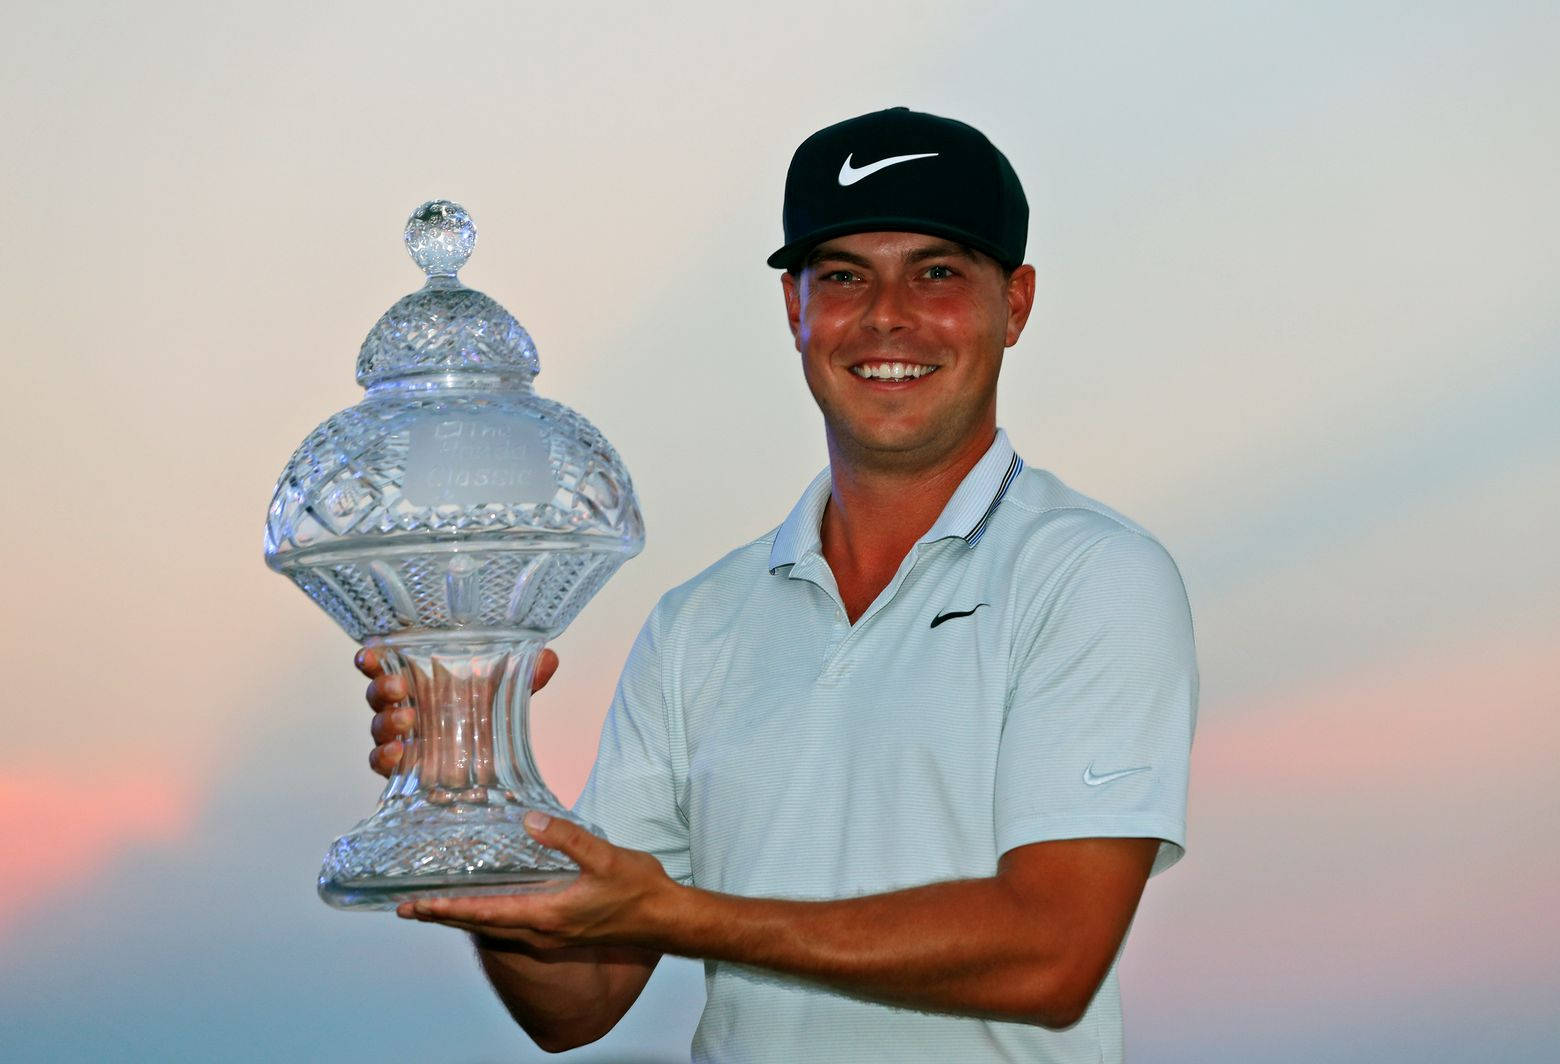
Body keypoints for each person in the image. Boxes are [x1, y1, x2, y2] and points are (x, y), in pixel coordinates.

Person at [358, 106, 1198, 1063]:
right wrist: (474, 791)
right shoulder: (697, 625)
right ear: (795, 309)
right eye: (843, 276)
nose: (887, 315)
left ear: (1016, 303)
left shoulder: (1091, 575)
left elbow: (1051, 958)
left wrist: (681, 914)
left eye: (937, 272)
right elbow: (575, 1005)